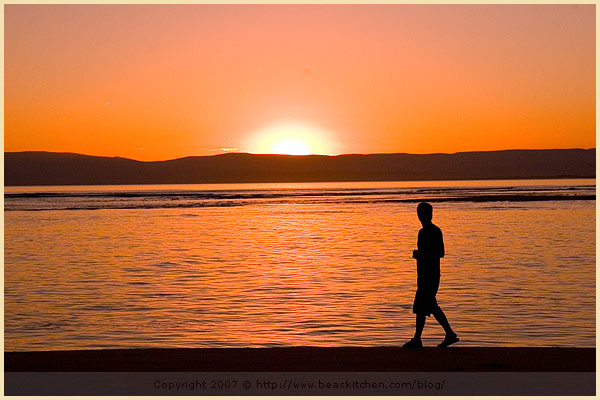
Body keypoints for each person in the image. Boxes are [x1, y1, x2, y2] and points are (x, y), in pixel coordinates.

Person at [403, 202, 458, 348]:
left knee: (430, 304)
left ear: (429, 214)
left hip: (431, 275)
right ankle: (417, 338)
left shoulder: (434, 231)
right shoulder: (422, 232)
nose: (420, 216)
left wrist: (421, 255)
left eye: (422, 213)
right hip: (423, 274)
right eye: (418, 213)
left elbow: (440, 253)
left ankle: (449, 334)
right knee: (421, 306)